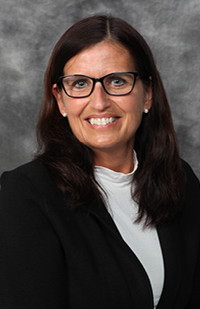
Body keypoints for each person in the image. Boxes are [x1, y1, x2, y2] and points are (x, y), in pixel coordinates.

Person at [0, 15, 200, 309]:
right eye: (80, 83)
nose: (99, 101)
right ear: (61, 101)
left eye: (117, 81)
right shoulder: (26, 194)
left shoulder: (180, 179)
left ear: (147, 94)